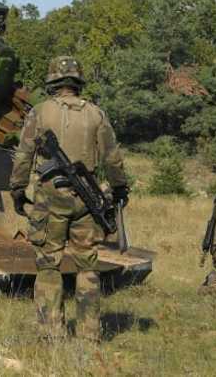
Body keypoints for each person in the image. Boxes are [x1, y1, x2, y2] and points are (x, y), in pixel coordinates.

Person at [9, 55, 128, 342]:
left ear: (52, 82)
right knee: (88, 265)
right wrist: (120, 188)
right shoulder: (96, 114)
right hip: (87, 200)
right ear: (77, 82)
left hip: (50, 199)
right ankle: (89, 333)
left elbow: (24, 155)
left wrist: (17, 189)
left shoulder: (39, 112)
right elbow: (112, 158)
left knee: (49, 264)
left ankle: (52, 333)